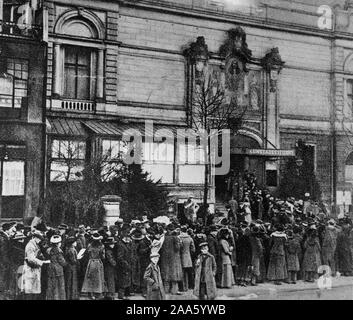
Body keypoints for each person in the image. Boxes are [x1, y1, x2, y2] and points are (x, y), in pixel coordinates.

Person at [21, 230, 50, 300]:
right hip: (30, 269)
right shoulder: (30, 246)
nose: (39, 240)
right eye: (38, 238)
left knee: (34, 290)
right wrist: (43, 262)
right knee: (30, 290)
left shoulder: (35, 245)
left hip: (34, 269)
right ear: (34, 237)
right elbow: (31, 259)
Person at [159, 224, 183, 295]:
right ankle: (174, 291)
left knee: (166, 275)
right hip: (174, 258)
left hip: (165, 259)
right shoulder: (175, 237)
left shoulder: (163, 237)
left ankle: (166, 290)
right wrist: (180, 243)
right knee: (174, 275)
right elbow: (177, 248)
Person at [81, 232, 105, 300]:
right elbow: (103, 256)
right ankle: (98, 293)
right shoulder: (101, 246)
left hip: (91, 262)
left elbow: (86, 254)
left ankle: (91, 294)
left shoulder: (89, 245)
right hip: (98, 262)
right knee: (98, 278)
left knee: (90, 278)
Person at [46, 235, 67, 300]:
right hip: (58, 270)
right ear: (58, 243)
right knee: (59, 286)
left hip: (50, 268)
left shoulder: (48, 250)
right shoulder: (59, 251)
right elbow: (63, 262)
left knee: (51, 286)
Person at [116, 224, 134, 300]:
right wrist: (125, 264)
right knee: (123, 279)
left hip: (128, 263)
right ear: (123, 232)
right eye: (126, 232)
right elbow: (119, 257)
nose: (128, 234)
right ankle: (121, 295)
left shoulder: (129, 242)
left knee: (127, 279)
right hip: (123, 265)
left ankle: (127, 293)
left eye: (129, 232)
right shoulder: (120, 244)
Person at [0, 222, 17, 299]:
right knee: (3, 278)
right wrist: (7, 263)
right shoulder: (3, 239)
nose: (12, 231)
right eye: (11, 229)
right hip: (4, 263)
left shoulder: (4, 237)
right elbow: (4, 253)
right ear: (7, 230)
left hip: (4, 262)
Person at [179, 225, 195, 291]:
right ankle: (191, 286)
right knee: (190, 272)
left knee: (182, 272)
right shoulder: (190, 238)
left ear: (181, 230)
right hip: (188, 257)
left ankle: (183, 287)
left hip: (180, 257)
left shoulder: (179, 238)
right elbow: (193, 249)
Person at [64, 236, 79, 300]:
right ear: (72, 243)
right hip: (71, 268)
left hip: (69, 267)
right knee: (71, 282)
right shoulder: (72, 250)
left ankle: (70, 296)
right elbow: (73, 261)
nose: (76, 243)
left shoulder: (69, 249)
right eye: (75, 242)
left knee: (69, 282)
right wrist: (78, 259)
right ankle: (71, 296)